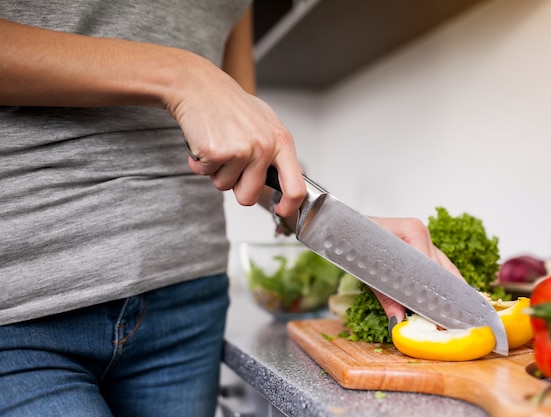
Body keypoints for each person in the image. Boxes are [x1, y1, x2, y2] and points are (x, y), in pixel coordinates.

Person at [0, 2, 461, 416]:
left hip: (186, 304)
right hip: (22, 308)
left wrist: (344, 227)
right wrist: (180, 74)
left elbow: (245, 147)